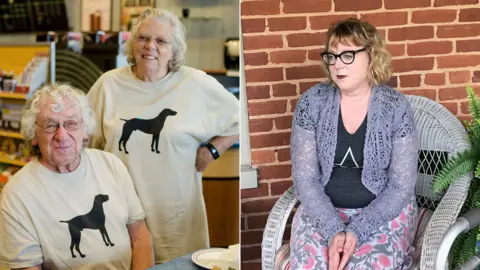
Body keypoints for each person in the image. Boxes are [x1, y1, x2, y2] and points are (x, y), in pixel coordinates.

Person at [87, 8, 239, 263]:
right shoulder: (108, 85)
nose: (150, 47)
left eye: (161, 41)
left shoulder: (195, 84)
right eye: (143, 38)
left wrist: (212, 150)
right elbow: (86, 142)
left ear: (175, 49)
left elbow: (240, 117)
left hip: (176, 221)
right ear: (132, 43)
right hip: (120, 216)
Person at [290, 18, 418, 270]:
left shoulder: (396, 108)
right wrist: (334, 230)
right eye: (332, 56)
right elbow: (305, 180)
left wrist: (357, 230)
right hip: (321, 214)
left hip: (383, 216)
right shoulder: (311, 103)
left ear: (371, 55)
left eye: (347, 55)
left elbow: (401, 187)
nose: (337, 64)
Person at [0, 84, 153, 270]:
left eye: (71, 123)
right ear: (34, 135)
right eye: (50, 125)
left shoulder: (111, 165)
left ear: (85, 130)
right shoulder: (17, 194)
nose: (62, 135)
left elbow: (140, 237)